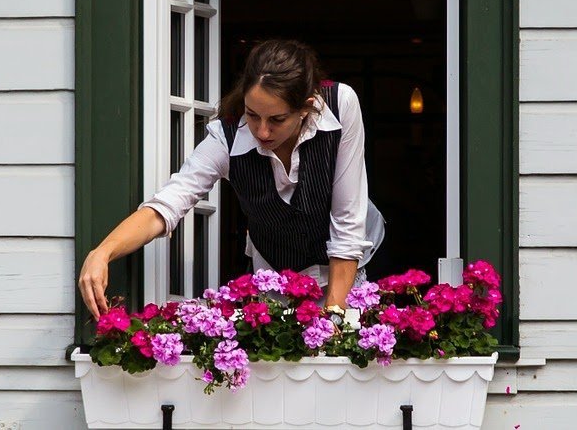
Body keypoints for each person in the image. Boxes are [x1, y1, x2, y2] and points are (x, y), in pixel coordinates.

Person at [78, 39, 384, 318]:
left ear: (305, 108)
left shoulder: (340, 106)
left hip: (346, 271)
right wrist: (102, 252)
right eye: (253, 115)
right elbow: (168, 204)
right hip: (275, 279)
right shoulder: (226, 137)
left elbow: (347, 223)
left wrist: (333, 315)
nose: (262, 131)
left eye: (277, 119)